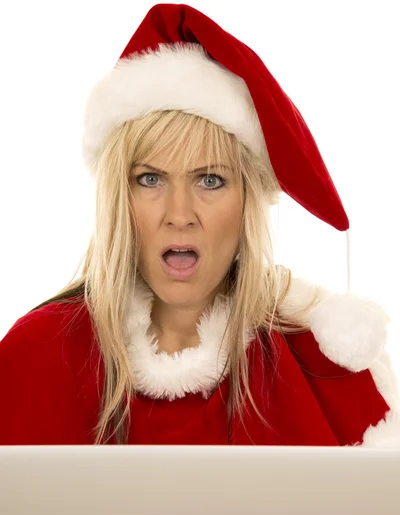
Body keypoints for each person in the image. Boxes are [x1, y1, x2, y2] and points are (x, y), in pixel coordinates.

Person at [0, 3, 399, 446]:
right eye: (149, 179)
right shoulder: (33, 357)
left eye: (210, 180)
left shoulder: (322, 366)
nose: (179, 214)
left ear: (248, 199)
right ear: (118, 194)